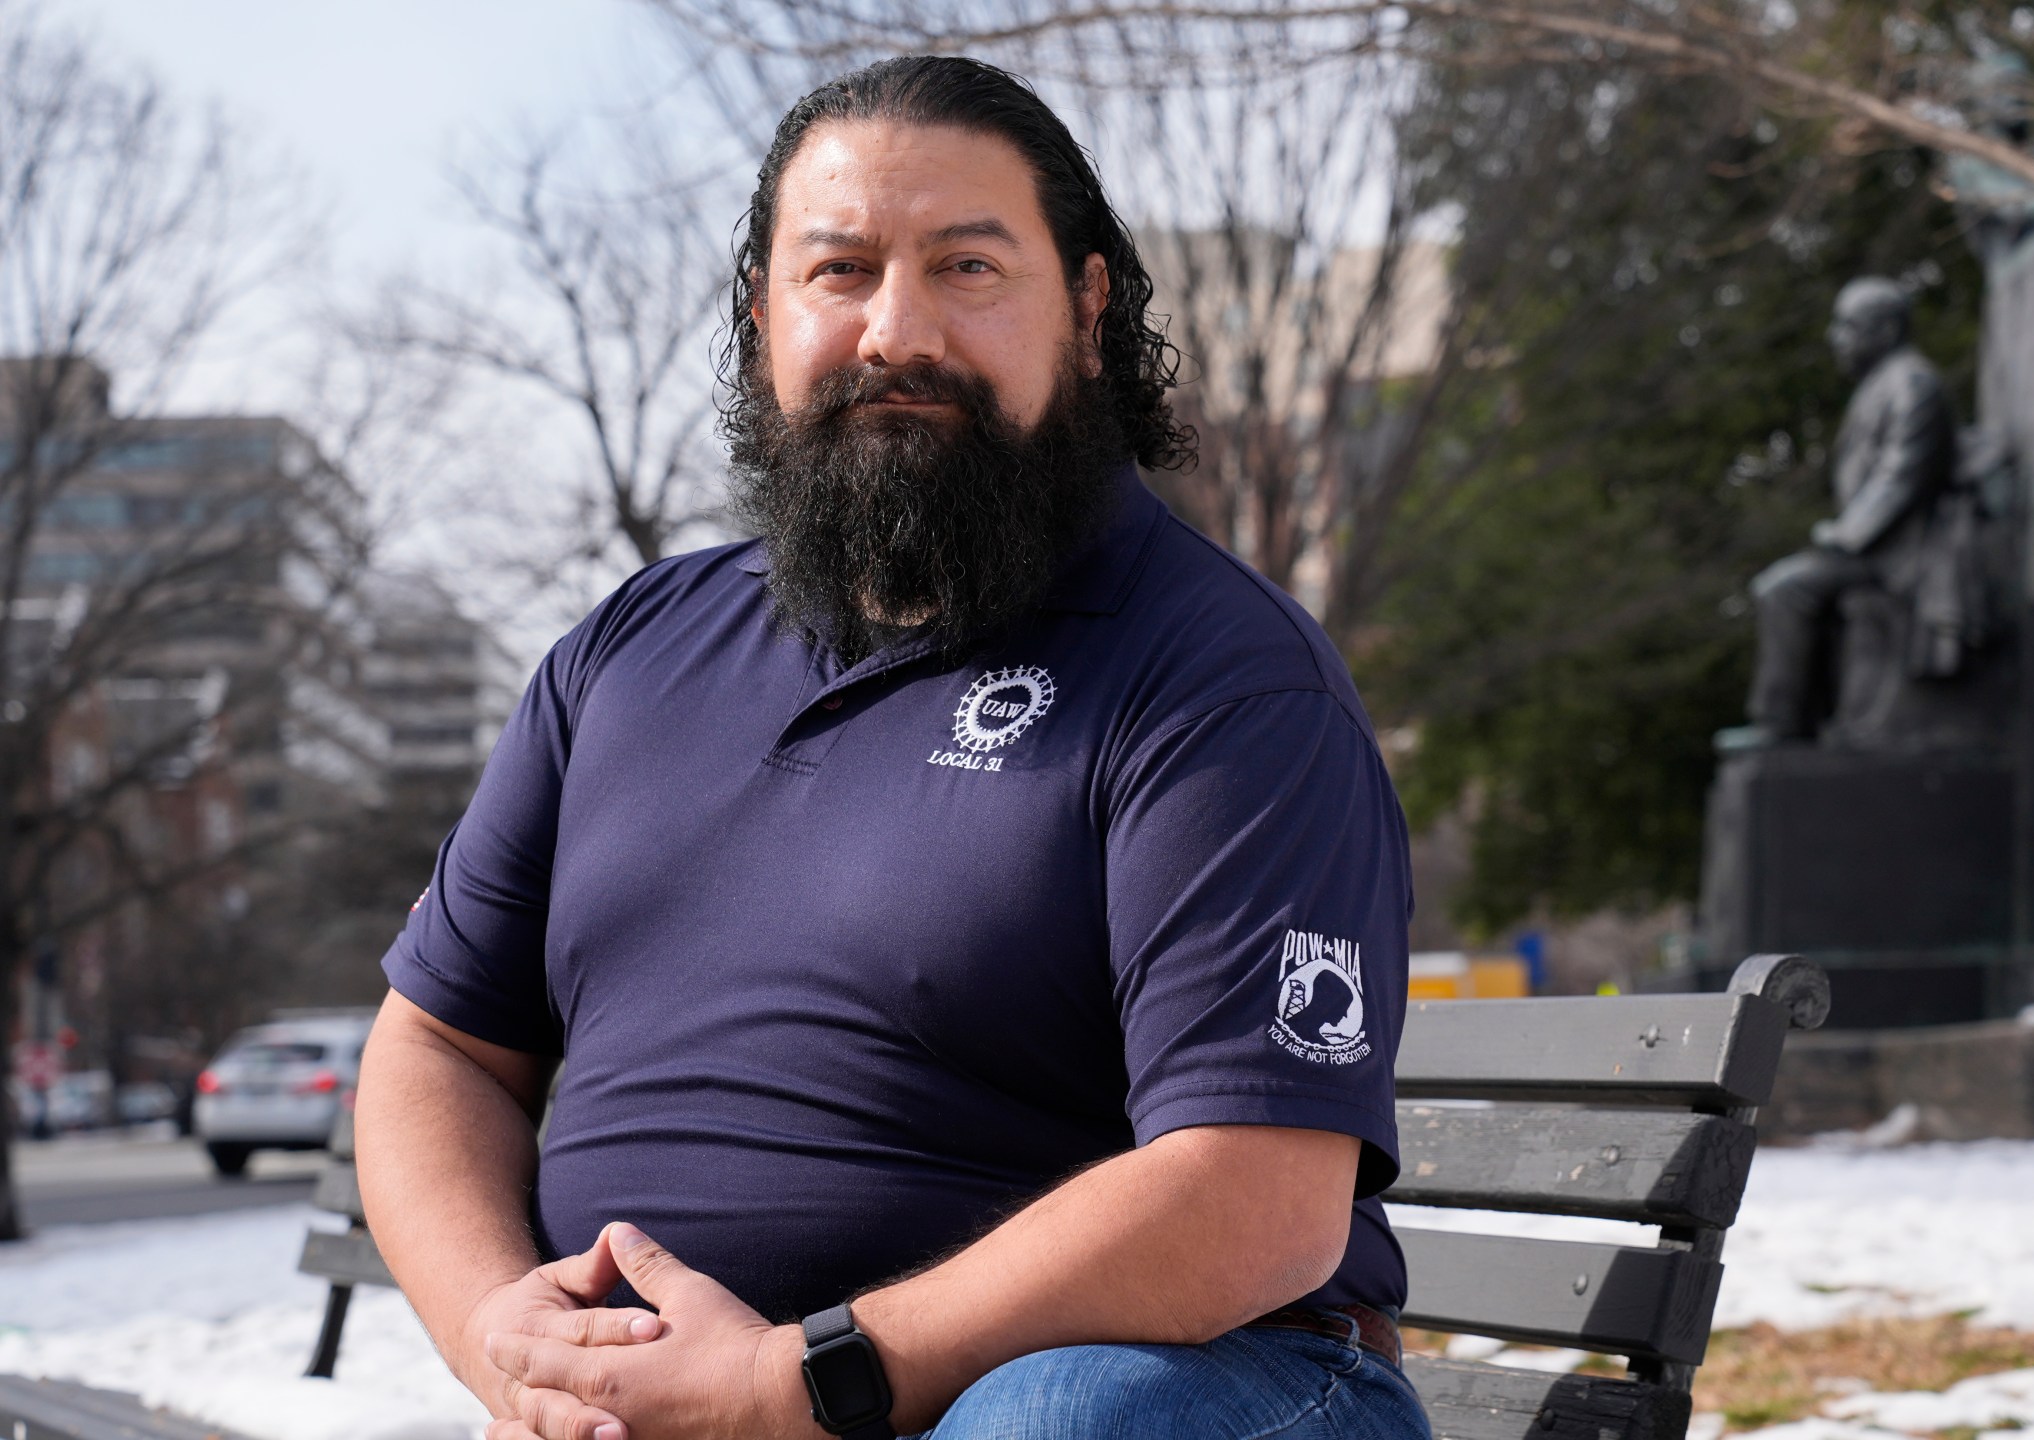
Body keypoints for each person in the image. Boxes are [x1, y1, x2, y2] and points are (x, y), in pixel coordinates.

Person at [356, 57, 1425, 1440]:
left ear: (1089, 312)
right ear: (763, 320)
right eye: (841, 270)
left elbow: (1257, 1197)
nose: (895, 330)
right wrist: (508, 1339)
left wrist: (804, 1381)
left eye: (968, 266)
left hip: (1174, 1390)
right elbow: (438, 1046)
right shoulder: (628, 655)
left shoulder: (1218, 683)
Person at [1736, 278, 1959, 742]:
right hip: (1874, 549)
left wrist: (1844, 537)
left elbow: (1902, 476)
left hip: (1906, 552)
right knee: (1786, 586)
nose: (1837, 338)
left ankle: (1781, 727)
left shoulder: (1912, 384)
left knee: (1785, 590)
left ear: (1888, 330)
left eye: (1849, 326)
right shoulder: (1881, 385)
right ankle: (1808, 725)